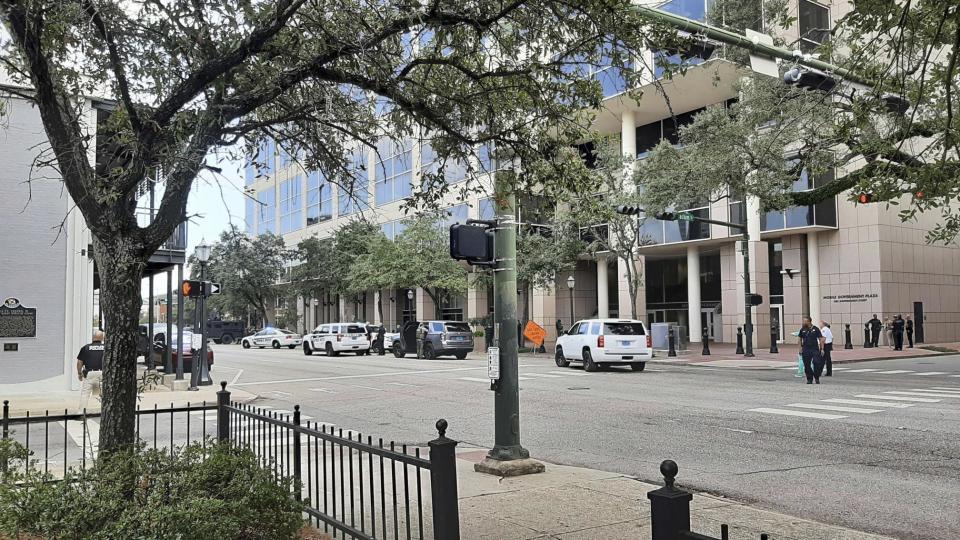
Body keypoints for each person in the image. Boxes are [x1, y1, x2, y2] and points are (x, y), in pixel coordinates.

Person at [77, 330, 105, 410]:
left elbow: (79, 362)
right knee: (104, 395)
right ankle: (104, 412)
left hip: (89, 374)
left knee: (85, 394)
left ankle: (81, 413)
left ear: (93, 337)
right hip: (103, 374)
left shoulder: (85, 348)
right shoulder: (106, 348)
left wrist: (79, 373)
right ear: (102, 338)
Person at [797, 316, 825, 384]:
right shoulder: (802, 329)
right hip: (806, 349)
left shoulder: (816, 329)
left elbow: (820, 339)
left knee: (817, 362)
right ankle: (809, 378)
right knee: (806, 364)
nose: (803, 322)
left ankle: (816, 376)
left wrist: (822, 349)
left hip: (814, 348)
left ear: (809, 321)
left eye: (805, 321)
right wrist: (800, 348)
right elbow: (799, 339)